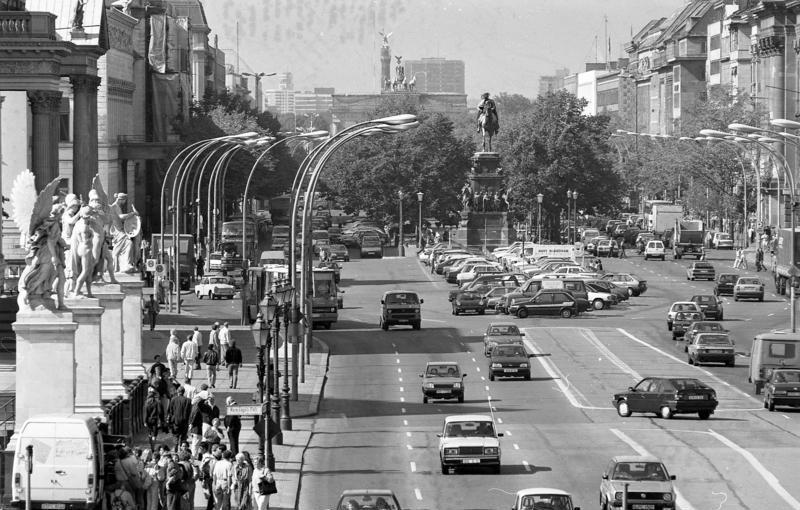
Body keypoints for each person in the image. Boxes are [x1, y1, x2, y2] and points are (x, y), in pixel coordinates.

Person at [167, 385, 192, 450]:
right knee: (183, 437)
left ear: (178, 392)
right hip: (184, 422)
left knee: (176, 436)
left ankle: (175, 448)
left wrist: (170, 421)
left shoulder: (173, 399)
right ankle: (182, 449)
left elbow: (170, 411)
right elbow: (189, 412)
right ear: (184, 392)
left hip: (175, 421)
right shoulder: (188, 400)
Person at [145, 387, 164, 452]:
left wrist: (145, 421)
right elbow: (160, 412)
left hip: (148, 420)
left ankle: (151, 445)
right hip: (155, 420)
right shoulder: (157, 402)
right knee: (154, 434)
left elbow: (145, 413)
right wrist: (161, 420)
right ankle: (153, 447)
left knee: (150, 433)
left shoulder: (146, 403)